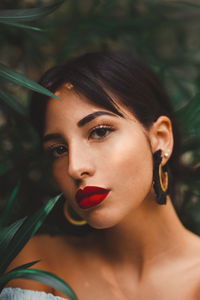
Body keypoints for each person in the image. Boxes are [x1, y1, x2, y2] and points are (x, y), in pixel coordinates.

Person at [2, 52, 200, 300]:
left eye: (100, 132)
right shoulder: (37, 263)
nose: (75, 167)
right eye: (59, 150)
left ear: (160, 138)